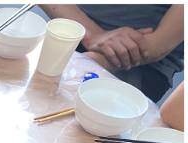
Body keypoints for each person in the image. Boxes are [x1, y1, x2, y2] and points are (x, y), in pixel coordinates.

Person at [41, 5, 184, 101]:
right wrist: (92, 35)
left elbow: (155, 47)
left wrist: (83, 62)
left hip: (140, 64)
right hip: (71, 30)